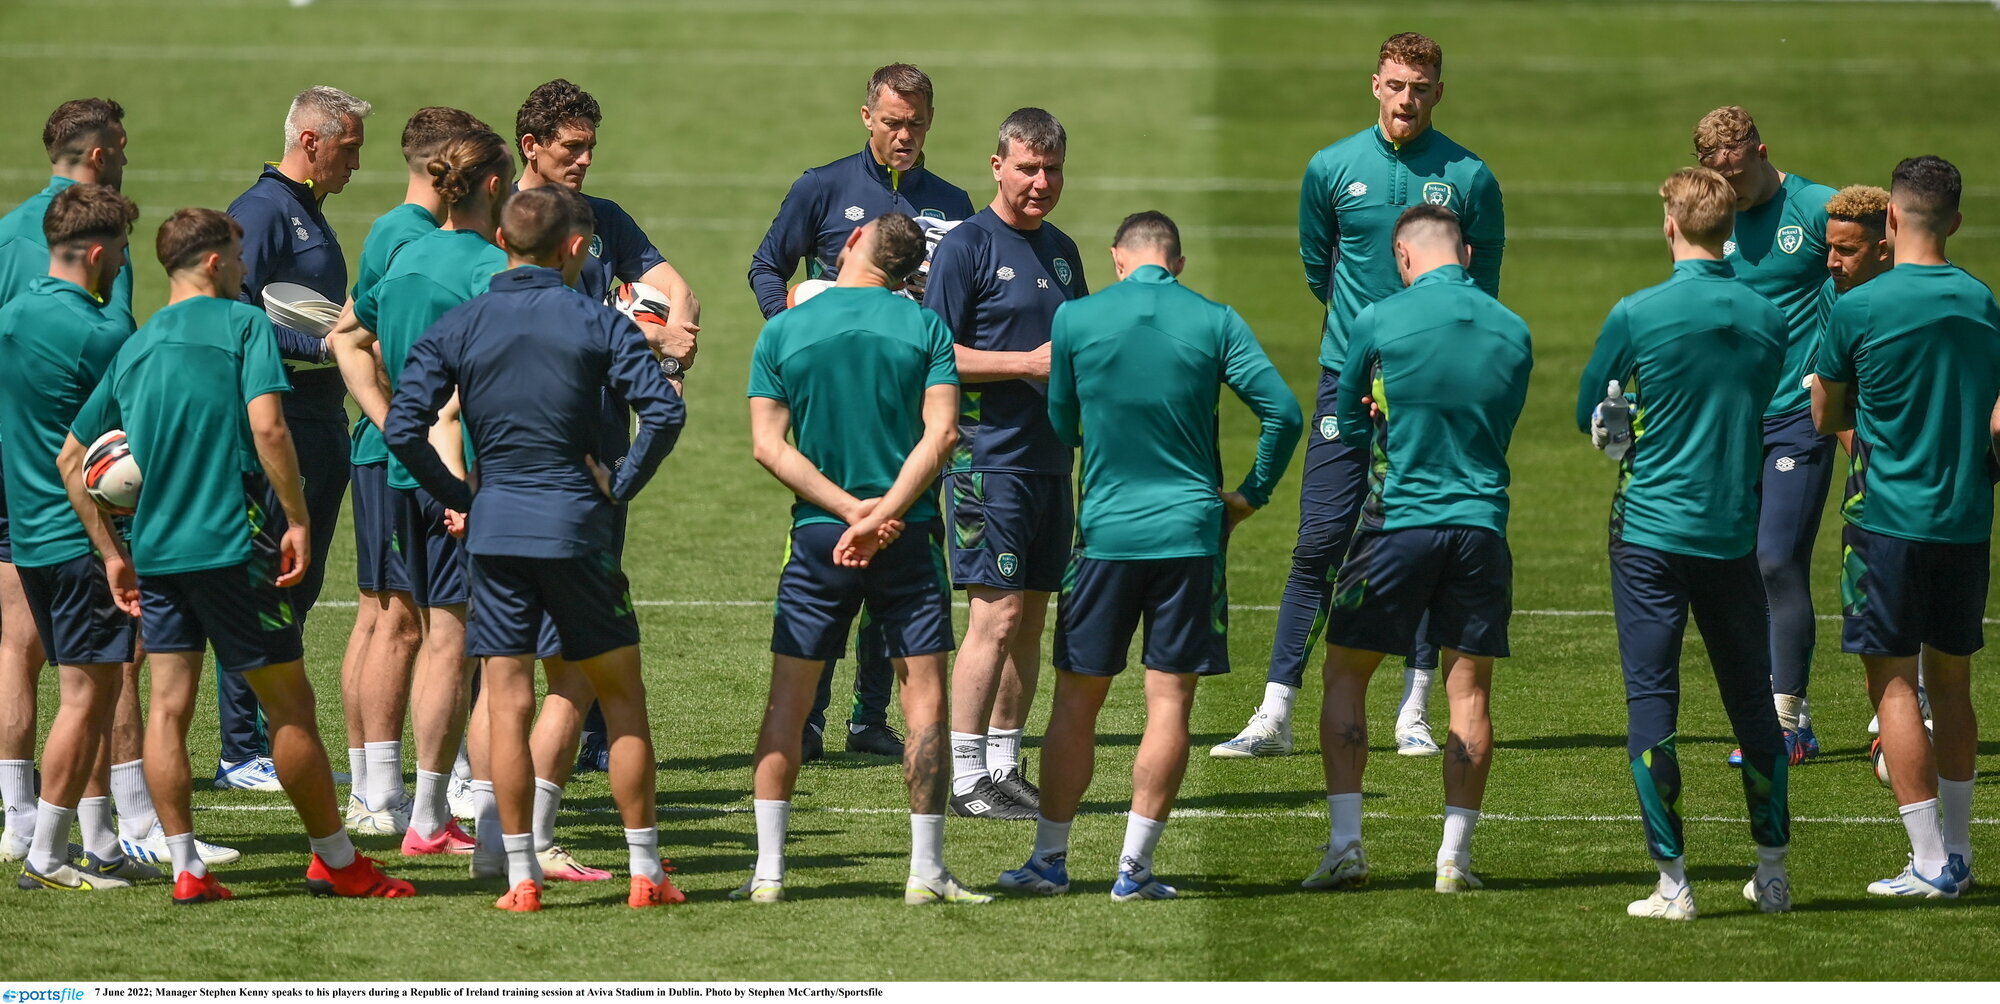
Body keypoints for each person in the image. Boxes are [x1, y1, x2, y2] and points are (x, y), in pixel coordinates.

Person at [62, 207, 412, 904]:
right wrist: (297, 517)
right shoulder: (244, 325)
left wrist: (113, 554)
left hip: (157, 551)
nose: (248, 269)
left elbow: (72, 459)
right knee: (289, 704)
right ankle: (337, 860)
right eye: (240, 256)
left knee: (169, 708)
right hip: (236, 544)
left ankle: (187, 868)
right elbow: (269, 427)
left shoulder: (137, 345)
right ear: (215, 261)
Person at [388, 184, 687, 911]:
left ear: (501, 242)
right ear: (574, 248)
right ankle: (646, 872)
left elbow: (403, 426)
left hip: (496, 537)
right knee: (621, 697)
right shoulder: (598, 320)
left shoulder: (461, 324)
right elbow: (664, 411)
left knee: (507, 702)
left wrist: (461, 496)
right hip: (579, 529)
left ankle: (520, 876)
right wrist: (620, 484)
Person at [1218, 31, 1504, 761]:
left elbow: (1481, 291)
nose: (1407, 100)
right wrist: (1363, 342)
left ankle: (1413, 713)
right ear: (1376, 84)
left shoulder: (1470, 176)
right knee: (1319, 540)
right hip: (1343, 376)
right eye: (1396, 85)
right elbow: (1318, 265)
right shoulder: (1331, 166)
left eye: (1420, 88)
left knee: (1424, 539)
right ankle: (1275, 712)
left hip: (1431, 388)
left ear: (1439, 92)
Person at [1001, 211, 1300, 901]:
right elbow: (1284, 413)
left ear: (1117, 259)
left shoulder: (1075, 320)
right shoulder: (1215, 321)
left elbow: (1062, 420)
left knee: (1077, 701)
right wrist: (1249, 495)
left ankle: (1048, 862)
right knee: (1169, 704)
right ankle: (1134, 870)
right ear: (1178, 263)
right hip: (1190, 538)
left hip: (1105, 536)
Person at [740, 211, 984, 905]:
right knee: (924, 701)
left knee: (789, 701)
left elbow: (767, 446)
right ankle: (926, 872)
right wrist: (884, 514)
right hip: (909, 534)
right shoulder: (927, 329)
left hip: (821, 537)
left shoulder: (784, 330)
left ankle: (768, 874)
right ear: (910, 273)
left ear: (851, 243)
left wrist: (851, 513)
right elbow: (942, 436)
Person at [1576, 168, 1790, 920]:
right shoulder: (1768, 317)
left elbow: (1590, 410)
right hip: (1732, 530)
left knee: (1652, 701)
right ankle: (1773, 875)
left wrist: (1628, 417)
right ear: (1728, 229)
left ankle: (1674, 884)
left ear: (1670, 224)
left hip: (1650, 532)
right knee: (1753, 702)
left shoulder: (1637, 311)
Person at [748, 62, 974, 762]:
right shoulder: (821, 187)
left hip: (912, 398)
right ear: (867, 116)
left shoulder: (953, 202)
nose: (904, 136)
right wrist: (794, 334)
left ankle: (869, 717)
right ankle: (810, 718)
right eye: (893, 122)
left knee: (896, 545)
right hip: (837, 403)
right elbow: (766, 267)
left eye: (916, 124)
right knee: (829, 546)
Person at [1300, 205, 1529, 896]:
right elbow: (1499, 420)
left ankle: (1346, 846)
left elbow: (1344, 421)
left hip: (1396, 522)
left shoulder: (1376, 318)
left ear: (1403, 256)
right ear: (1466, 255)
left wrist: (1381, 411)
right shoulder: (1512, 328)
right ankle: (1454, 859)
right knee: (1470, 692)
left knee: (1346, 675)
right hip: (1481, 526)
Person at [1813, 155, 1998, 899]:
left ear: (1889, 218)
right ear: (1955, 221)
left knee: (1893, 683)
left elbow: (1825, 413)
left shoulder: (1859, 308)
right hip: (1965, 521)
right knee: (1951, 683)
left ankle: (1927, 863)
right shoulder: (1983, 302)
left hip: (1886, 522)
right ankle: (1960, 852)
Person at [331, 128, 509, 852]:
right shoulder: (490, 271)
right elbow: (485, 387)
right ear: (494, 186)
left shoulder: (407, 256)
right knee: (452, 642)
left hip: (404, 470)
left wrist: (393, 421)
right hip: (461, 479)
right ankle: (435, 814)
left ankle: (406, 800)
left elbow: (346, 338)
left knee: (411, 628)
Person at [923, 107, 1086, 819]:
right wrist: (1025, 363)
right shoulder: (966, 247)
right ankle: (964, 779)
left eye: (1052, 170)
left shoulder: (1063, 250)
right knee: (998, 614)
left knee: (1031, 619)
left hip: (1050, 460)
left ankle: (1002, 764)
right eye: (1027, 168)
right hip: (987, 461)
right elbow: (934, 353)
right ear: (997, 166)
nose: (1040, 182)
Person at [0, 185, 160, 890]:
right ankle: (47, 855)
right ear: (96, 252)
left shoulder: (11, 315)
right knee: (86, 698)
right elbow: (132, 434)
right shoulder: (101, 335)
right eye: (121, 251)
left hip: (29, 537)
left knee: (83, 690)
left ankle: (98, 841)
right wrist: (116, 553)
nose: (123, 263)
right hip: (85, 536)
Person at [218, 85, 371, 793]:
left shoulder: (305, 211)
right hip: (283, 424)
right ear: (312, 142)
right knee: (269, 585)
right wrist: (324, 349)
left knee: (297, 590)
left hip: (319, 422)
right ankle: (241, 750)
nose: (356, 165)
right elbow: (233, 312)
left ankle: (269, 742)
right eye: (349, 149)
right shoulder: (262, 211)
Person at [1693, 107, 1839, 768]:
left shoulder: (1814, 207)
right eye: (1717, 176)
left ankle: (1787, 723)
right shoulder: (1713, 216)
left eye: (1738, 173)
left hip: (1798, 416)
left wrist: (1837, 371)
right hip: (1733, 420)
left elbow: (1875, 270)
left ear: (1761, 151)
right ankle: (1774, 715)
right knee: (1739, 568)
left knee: (1778, 559)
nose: (1731, 188)